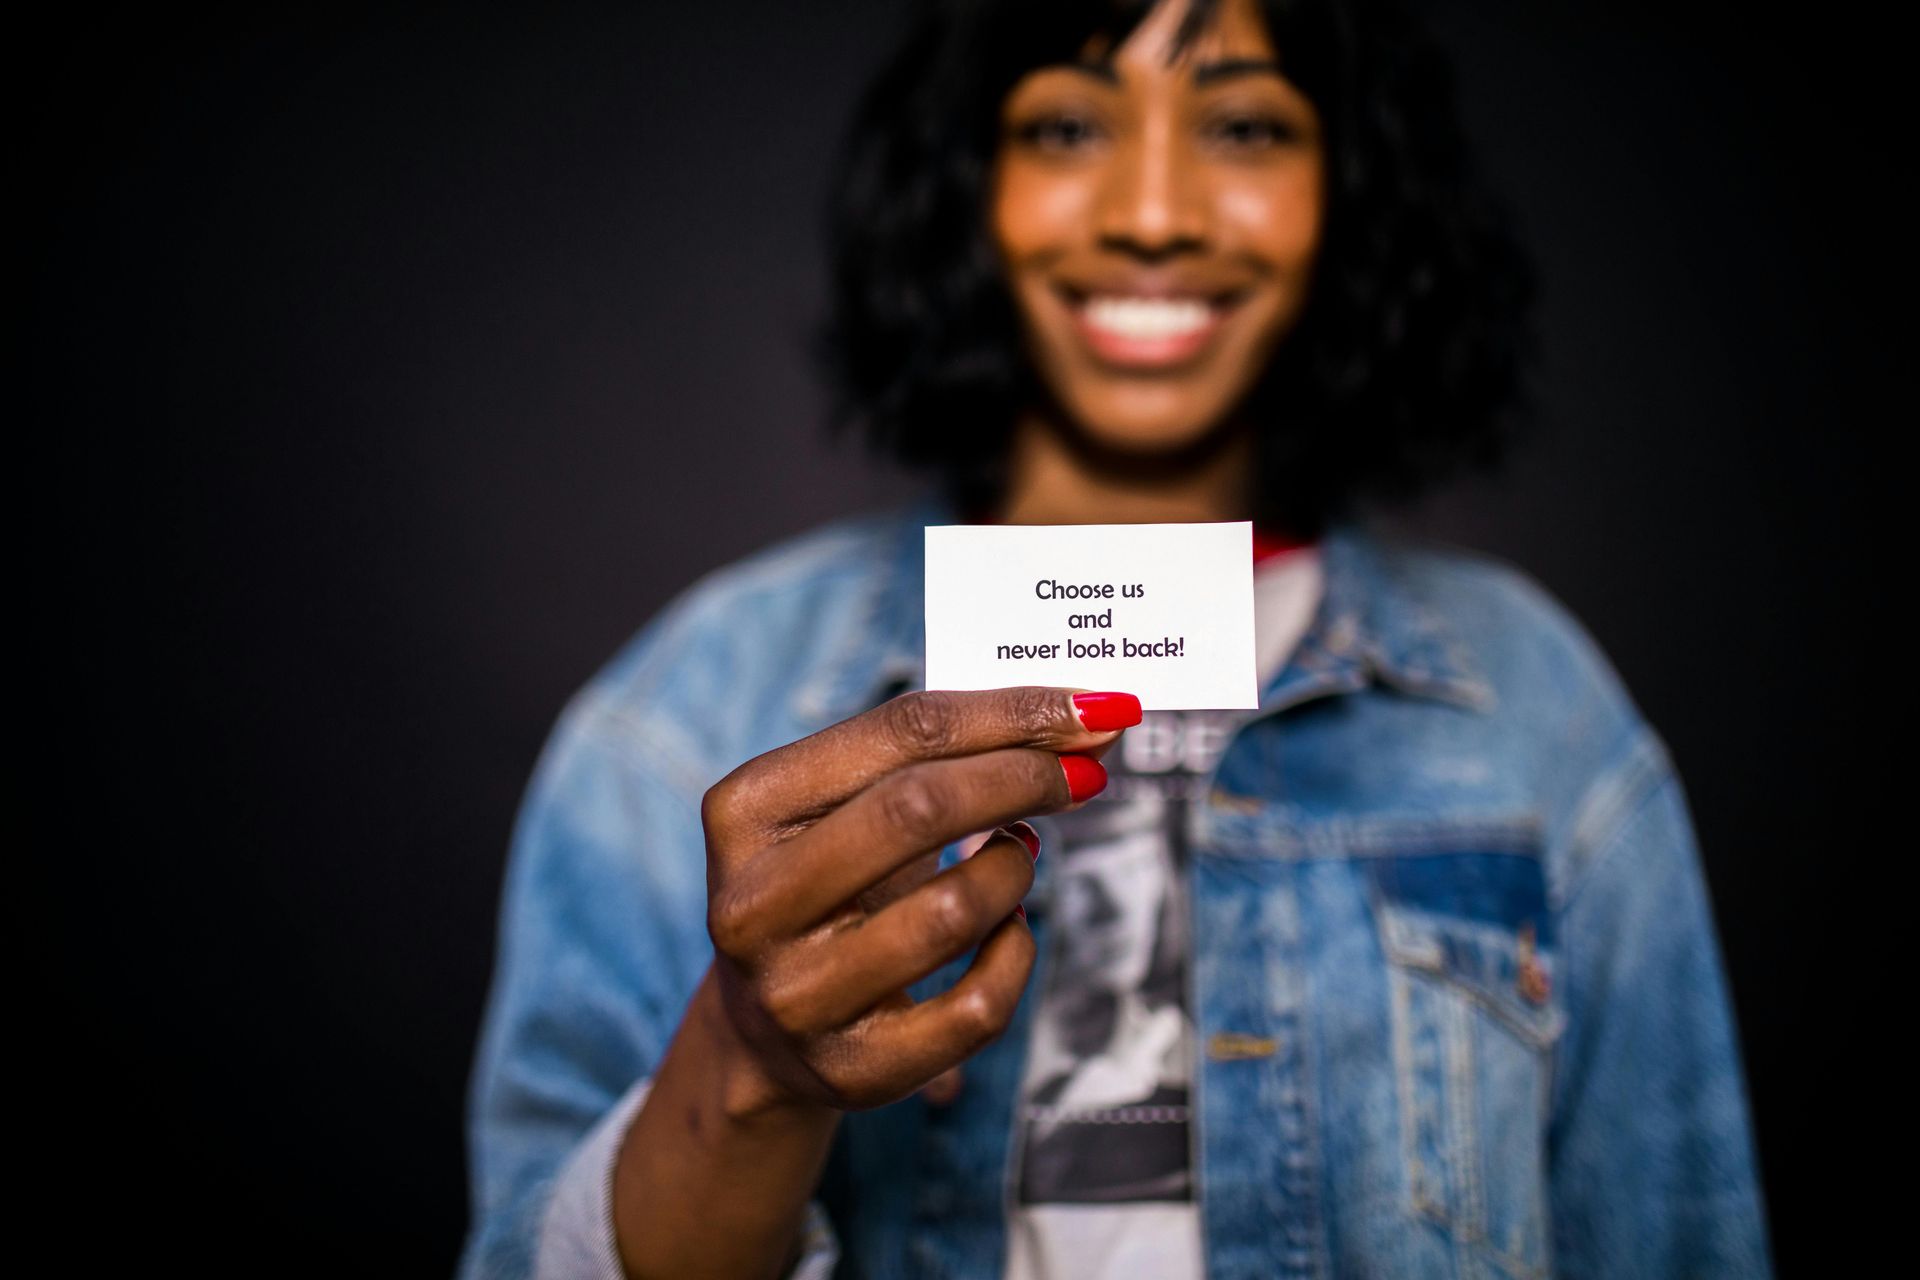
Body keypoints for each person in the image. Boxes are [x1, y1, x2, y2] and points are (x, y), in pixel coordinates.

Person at [458, 0, 1771, 1276]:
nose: (1153, 214)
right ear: (970, 182)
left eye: (1245, 128)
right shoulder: (690, 710)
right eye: (1070, 129)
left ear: (1351, 189)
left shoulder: (1531, 707)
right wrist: (750, 1072)